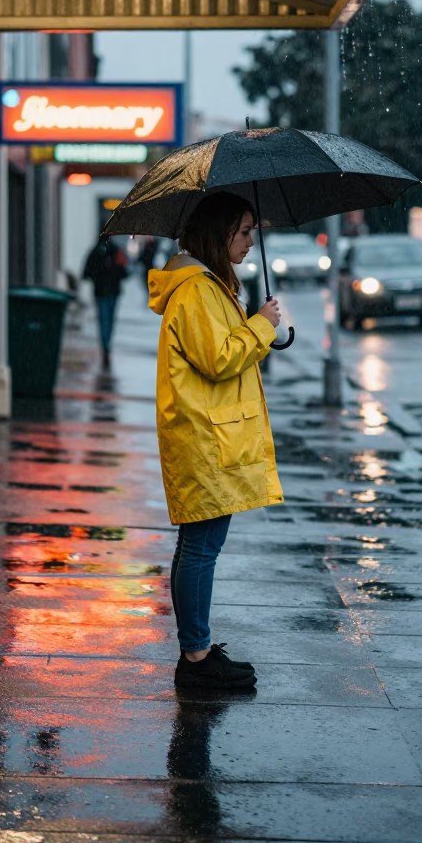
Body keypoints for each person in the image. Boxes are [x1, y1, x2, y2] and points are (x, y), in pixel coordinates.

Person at [148, 191, 282, 690]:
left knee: (197, 545)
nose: (249, 241)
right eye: (244, 231)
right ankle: (197, 657)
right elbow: (220, 358)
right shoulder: (198, 290)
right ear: (219, 232)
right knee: (202, 546)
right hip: (204, 437)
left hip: (205, 433)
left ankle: (196, 650)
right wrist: (261, 327)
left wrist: (257, 325)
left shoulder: (208, 286)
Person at [82, 237, 128, 368]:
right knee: (108, 320)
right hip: (109, 292)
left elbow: (87, 271)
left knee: (105, 320)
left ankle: (106, 346)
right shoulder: (110, 250)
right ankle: (106, 346)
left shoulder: (100, 250)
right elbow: (124, 271)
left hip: (104, 292)